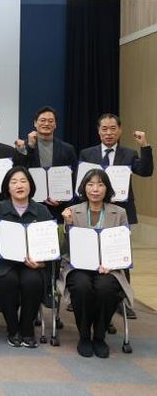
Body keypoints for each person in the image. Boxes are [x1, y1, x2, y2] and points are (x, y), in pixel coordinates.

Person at [79, 113, 152, 319]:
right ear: (98, 131)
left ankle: (123, 301)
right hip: (93, 211)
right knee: (90, 251)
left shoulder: (129, 154)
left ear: (120, 130)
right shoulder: (87, 154)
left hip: (120, 214)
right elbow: (81, 184)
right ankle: (83, 295)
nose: (109, 133)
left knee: (120, 256)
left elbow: (146, 171)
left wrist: (144, 145)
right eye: (104, 129)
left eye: (113, 129)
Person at [59, 169, 133, 358]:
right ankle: (84, 335)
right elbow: (66, 249)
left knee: (106, 287)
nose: (95, 189)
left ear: (107, 188)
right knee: (81, 286)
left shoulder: (119, 213)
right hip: (79, 266)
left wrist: (112, 264)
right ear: (84, 187)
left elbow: (123, 245)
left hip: (108, 267)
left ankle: (99, 336)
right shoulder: (73, 211)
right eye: (91, 184)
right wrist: (68, 225)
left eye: (100, 184)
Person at [0, 166, 52, 348]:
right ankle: (13, 329)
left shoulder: (42, 211)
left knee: (33, 281)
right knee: (9, 281)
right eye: (13, 182)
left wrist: (41, 263)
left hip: (33, 262)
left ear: (30, 185)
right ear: (7, 188)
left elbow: (51, 245)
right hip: (3, 262)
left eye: (23, 181)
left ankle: (27, 329)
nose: (19, 185)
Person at [15, 106, 77, 222]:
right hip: (30, 206)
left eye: (50, 121)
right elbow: (20, 172)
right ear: (35, 123)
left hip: (58, 209)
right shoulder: (24, 147)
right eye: (42, 120)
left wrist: (62, 199)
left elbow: (74, 178)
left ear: (55, 124)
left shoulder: (67, 149)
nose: (46, 123)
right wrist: (30, 147)